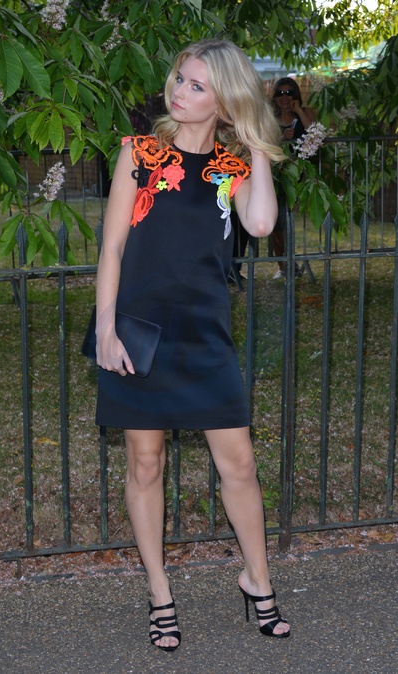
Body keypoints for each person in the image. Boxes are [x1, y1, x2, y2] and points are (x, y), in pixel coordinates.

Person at [95, 38, 291, 651]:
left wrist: (255, 144)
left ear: (224, 101)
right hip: (139, 330)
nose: (179, 92)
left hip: (206, 334)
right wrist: (105, 328)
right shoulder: (139, 154)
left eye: (197, 86)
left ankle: (257, 579)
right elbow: (113, 248)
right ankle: (160, 593)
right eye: (180, 78)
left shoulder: (231, 170)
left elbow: (261, 223)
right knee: (145, 463)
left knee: (240, 465)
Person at [270, 77, 317, 279]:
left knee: (285, 220)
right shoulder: (270, 117)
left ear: (296, 95)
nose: (285, 97)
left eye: (289, 93)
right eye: (280, 93)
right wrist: (282, 138)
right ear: (275, 97)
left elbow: (316, 136)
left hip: (301, 174)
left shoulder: (306, 113)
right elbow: (263, 142)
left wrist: (298, 111)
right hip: (277, 175)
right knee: (277, 221)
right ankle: (285, 266)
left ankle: (289, 264)